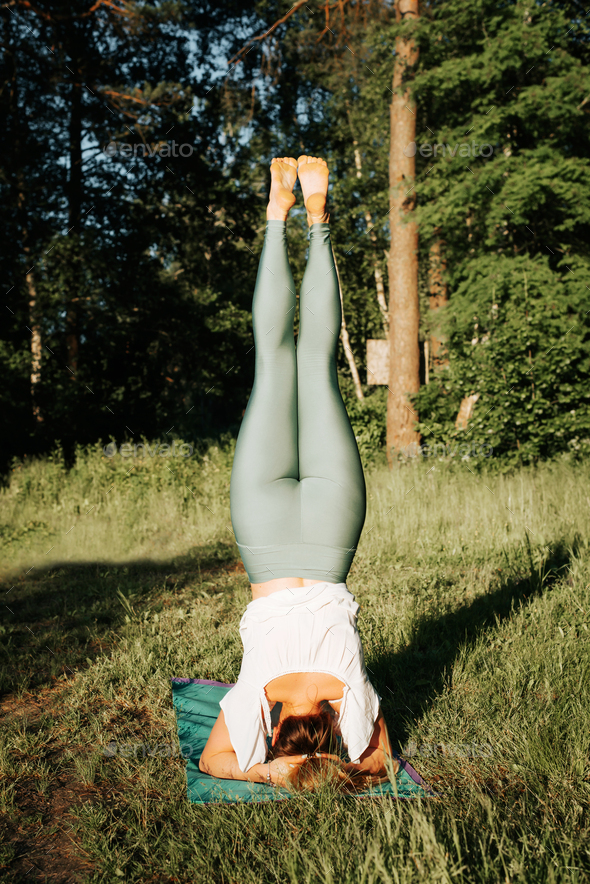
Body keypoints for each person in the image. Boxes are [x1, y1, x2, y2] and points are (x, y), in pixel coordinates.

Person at [199, 155, 398, 792]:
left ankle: (316, 213)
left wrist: (329, 767)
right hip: (264, 535)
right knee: (274, 362)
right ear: (280, 726)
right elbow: (216, 762)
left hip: (331, 533)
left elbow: (376, 765)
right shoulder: (256, 700)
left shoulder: (355, 705)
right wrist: (275, 774)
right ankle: (277, 212)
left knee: (315, 365)